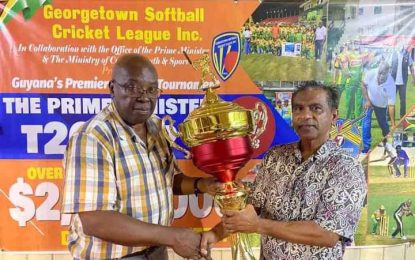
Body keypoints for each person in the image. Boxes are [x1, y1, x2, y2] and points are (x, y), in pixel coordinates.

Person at [61, 54, 219, 259]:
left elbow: (167, 180)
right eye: (132, 88)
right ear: (112, 88)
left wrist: (203, 185)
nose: (144, 97)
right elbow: (95, 220)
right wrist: (173, 237)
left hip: (157, 251)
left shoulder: (155, 126)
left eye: (152, 89)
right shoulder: (93, 137)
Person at [201, 81, 367, 259]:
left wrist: (258, 225)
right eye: (298, 109)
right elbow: (252, 208)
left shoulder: (345, 167)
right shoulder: (275, 157)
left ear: (333, 116)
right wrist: (216, 234)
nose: (305, 115)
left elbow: (327, 234)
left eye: (316, 108)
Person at [361, 62, 396, 153]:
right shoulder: (371, 73)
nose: (380, 76)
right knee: (366, 123)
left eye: (383, 74)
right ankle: (366, 147)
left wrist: (393, 124)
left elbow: (391, 106)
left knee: (383, 124)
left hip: (381, 105)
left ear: (388, 73)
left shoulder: (391, 84)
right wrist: (367, 100)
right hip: (368, 99)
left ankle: (387, 144)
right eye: (379, 73)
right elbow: (363, 85)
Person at [390, 43, 415, 118]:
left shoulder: (407, 54)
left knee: (403, 100)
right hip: (393, 81)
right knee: (391, 100)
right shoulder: (393, 53)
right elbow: (388, 67)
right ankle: (388, 115)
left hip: (403, 81)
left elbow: (411, 67)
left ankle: (402, 116)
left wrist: (413, 78)